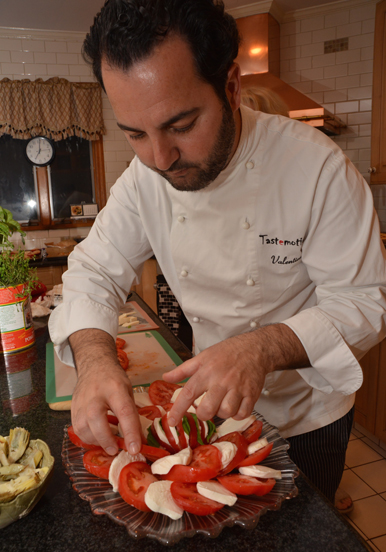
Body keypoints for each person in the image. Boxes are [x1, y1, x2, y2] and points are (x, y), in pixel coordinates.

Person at [49, 0, 386, 506]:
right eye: (135, 134)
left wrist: (261, 347)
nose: (159, 158)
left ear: (231, 86)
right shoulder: (144, 180)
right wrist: (95, 360)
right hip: (212, 416)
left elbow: (364, 302)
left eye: (181, 125)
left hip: (307, 418)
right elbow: (94, 268)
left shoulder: (318, 168)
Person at [241, 85, 354, 513]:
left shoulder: (318, 181)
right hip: (236, 409)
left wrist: (262, 349)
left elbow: (353, 302)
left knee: (313, 520)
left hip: (312, 404)